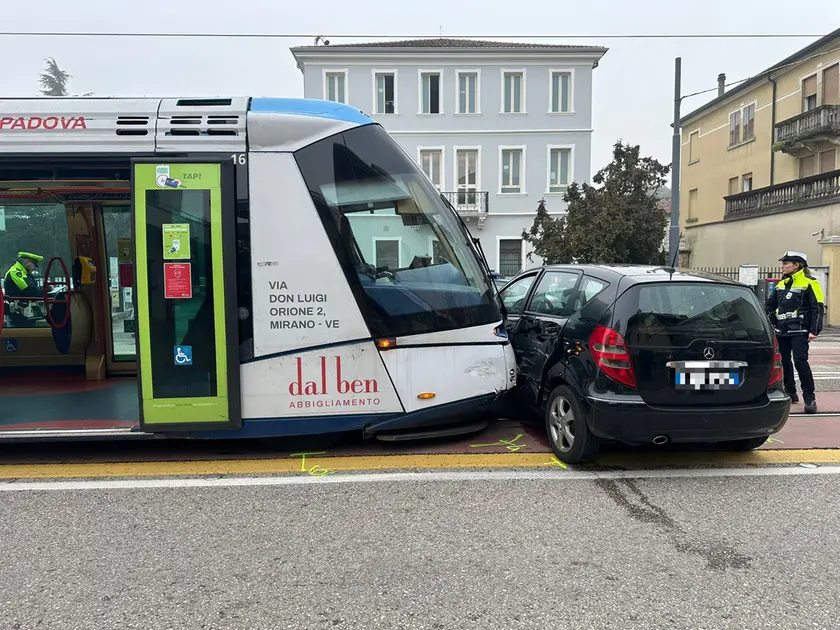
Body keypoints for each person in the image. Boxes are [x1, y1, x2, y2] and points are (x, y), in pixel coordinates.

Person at [764, 251, 825, 414]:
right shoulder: (781, 284)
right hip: (782, 329)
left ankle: (809, 397)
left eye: (786, 263)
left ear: (796, 265)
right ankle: (790, 391)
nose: (782, 266)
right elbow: (769, 306)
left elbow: (817, 307)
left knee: (800, 361)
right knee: (783, 361)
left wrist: (814, 330)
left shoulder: (810, 282)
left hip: (800, 329)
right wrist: (770, 321)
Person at [3, 252, 44, 327]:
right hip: (18, 315)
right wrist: (46, 290)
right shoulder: (15, 272)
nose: (35, 267)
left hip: (26, 313)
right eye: (34, 264)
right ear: (27, 262)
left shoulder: (25, 272)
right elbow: (29, 289)